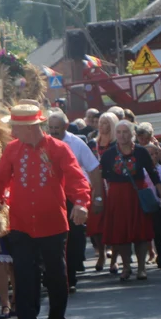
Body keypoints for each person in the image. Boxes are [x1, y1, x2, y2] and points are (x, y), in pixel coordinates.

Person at [0, 105, 90, 319]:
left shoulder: (58, 149)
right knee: (23, 274)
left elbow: (75, 177)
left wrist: (82, 202)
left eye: (15, 126)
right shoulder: (12, 150)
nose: (12, 131)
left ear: (30, 127)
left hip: (52, 223)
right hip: (21, 223)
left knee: (55, 274)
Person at [99, 121, 161, 281]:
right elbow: (102, 178)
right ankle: (126, 267)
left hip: (137, 194)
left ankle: (141, 268)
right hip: (117, 197)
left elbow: (153, 173)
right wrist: (99, 198)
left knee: (141, 232)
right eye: (119, 132)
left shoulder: (141, 152)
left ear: (132, 134)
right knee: (121, 233)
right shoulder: (108, 154)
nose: (122, 135)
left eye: (125, 132)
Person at [47, 110, 102, 292]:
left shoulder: (77, 144)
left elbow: (93, 169)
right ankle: (53, 277)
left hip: (73, 198)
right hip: (52, 198)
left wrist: (98, 197)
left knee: (73, 239)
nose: (53, 132)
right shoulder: (43, 144)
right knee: (52, 239)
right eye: (51, 128)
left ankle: (69, 277)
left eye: (57, 128)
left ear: (65, 126)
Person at [88, 112, 119, 273]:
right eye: (100, 122)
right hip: (95, 186)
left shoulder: (116, 144)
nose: (102, 126)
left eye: (106, 123)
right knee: (95, 222)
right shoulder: (93, 143)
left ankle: (114, 259)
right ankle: (101, 252)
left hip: (111, 185)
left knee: (113, 221)